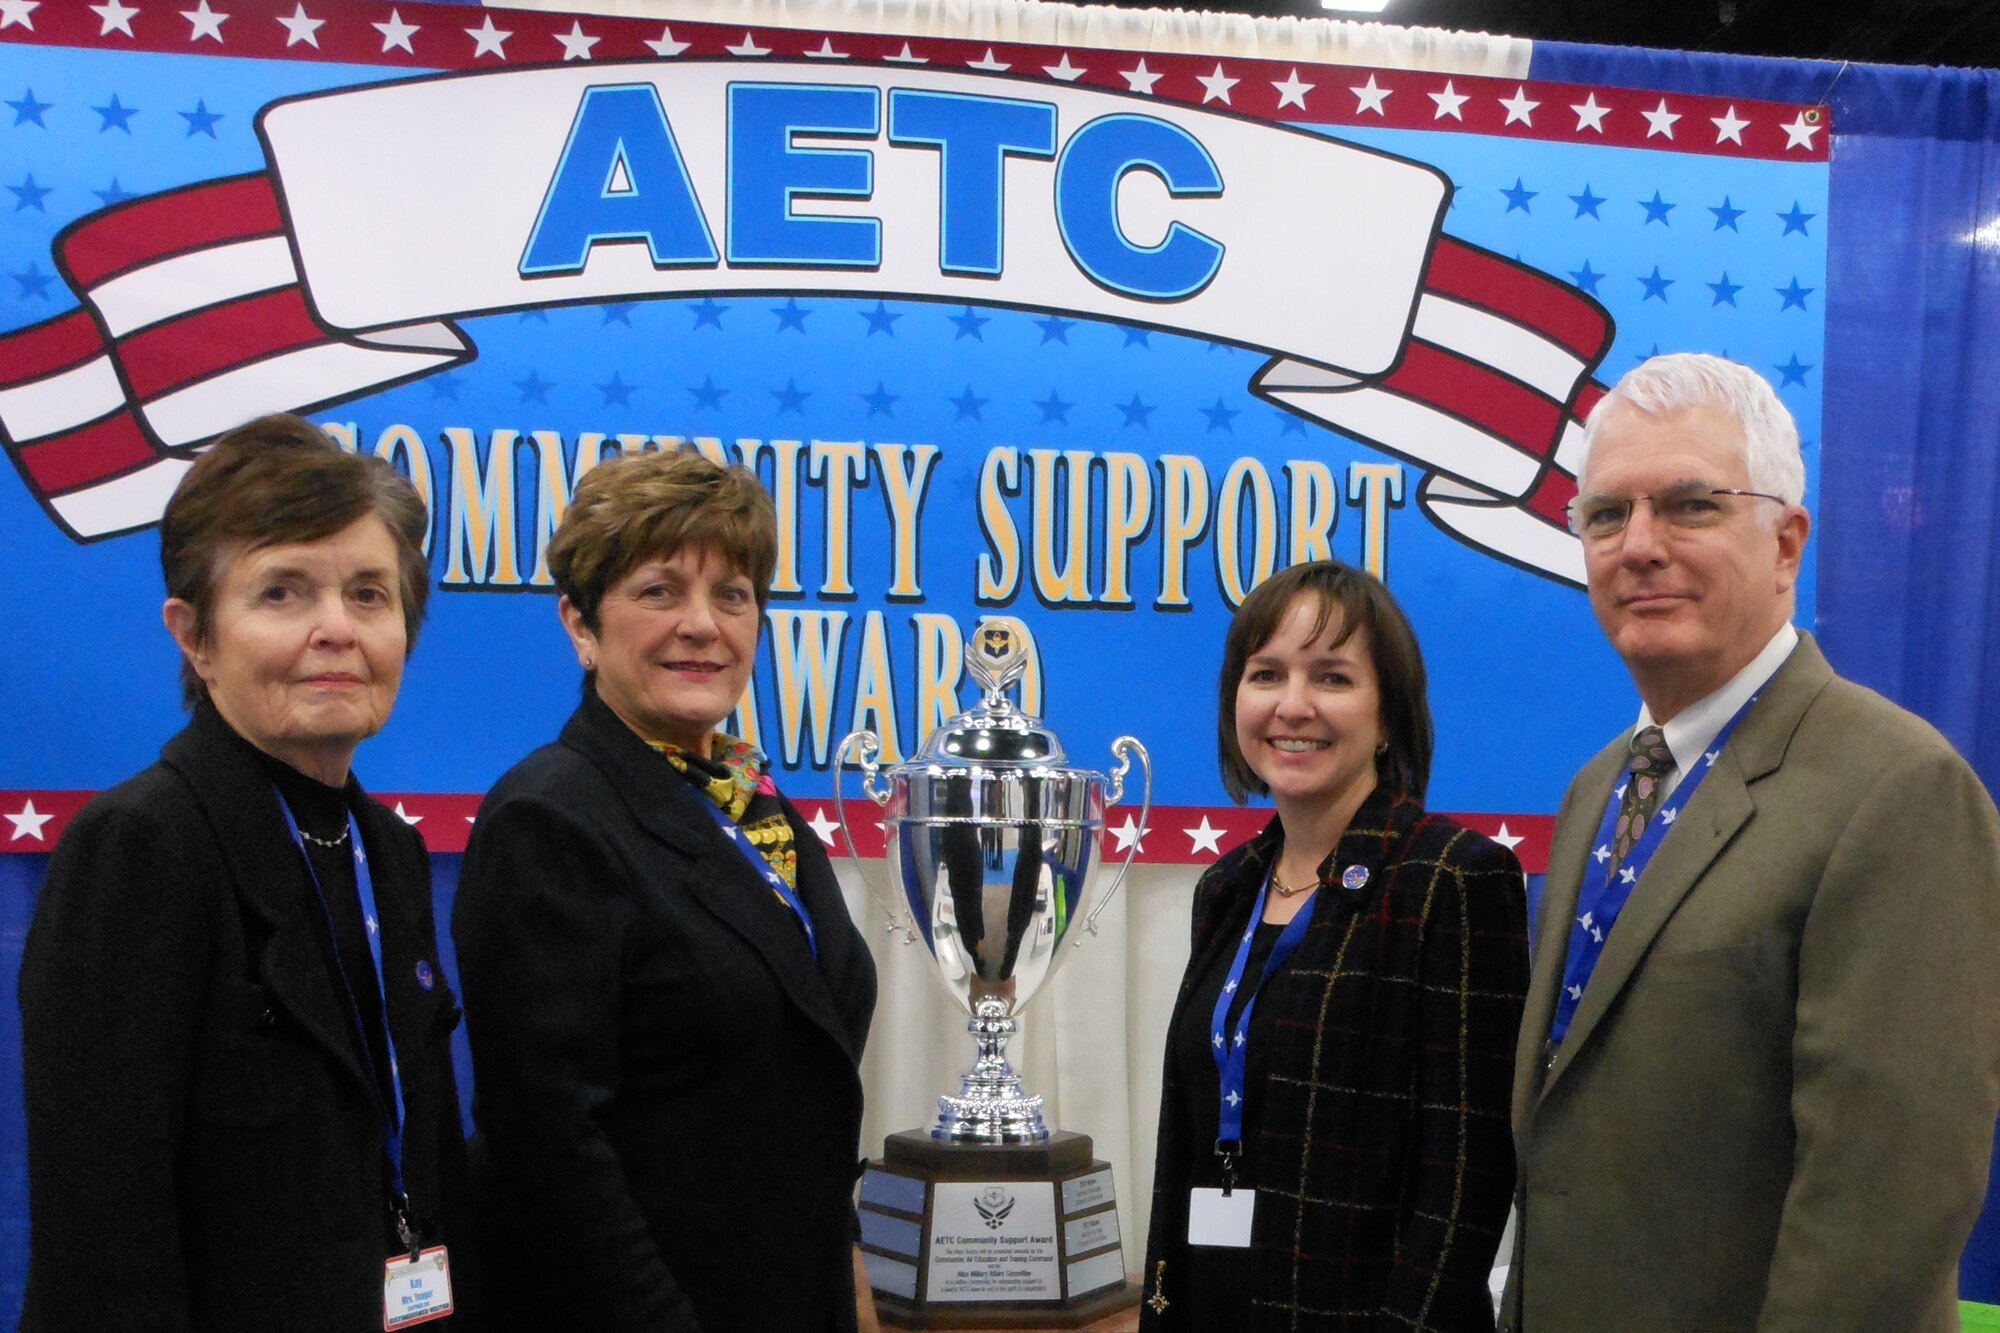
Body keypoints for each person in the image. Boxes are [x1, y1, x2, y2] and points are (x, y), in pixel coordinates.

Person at [1503, 353, 2000, 1333]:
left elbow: (1882, 1209)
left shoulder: (1900, 790)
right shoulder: (1598, 788)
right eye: (1605, 514)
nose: (1638, 546)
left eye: (1689, 505)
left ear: (1785, 544)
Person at [18, 415, 470, 1332]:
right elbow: (103, 1239)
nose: (336, 629)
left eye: (369, 594)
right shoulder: (141, 846)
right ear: (194, 636)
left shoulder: (387, 851)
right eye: (282, 592)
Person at [452, 448, 880, 1333]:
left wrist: (852, 1292)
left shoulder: (755, 808)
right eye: (659, 591)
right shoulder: (549, 818)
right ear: (580, 623)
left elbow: (798, 1106)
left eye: (732, 594)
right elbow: (553, 1154)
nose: (703, 625)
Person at [1141, 559, 1530, 1331]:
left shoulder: (1452, 878)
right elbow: (1186, 1138)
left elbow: (1468, 1174)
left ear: (1387, 716)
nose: (1293, 704)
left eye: (1332, 677)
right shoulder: (1228, 887)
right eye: (1266, 674)